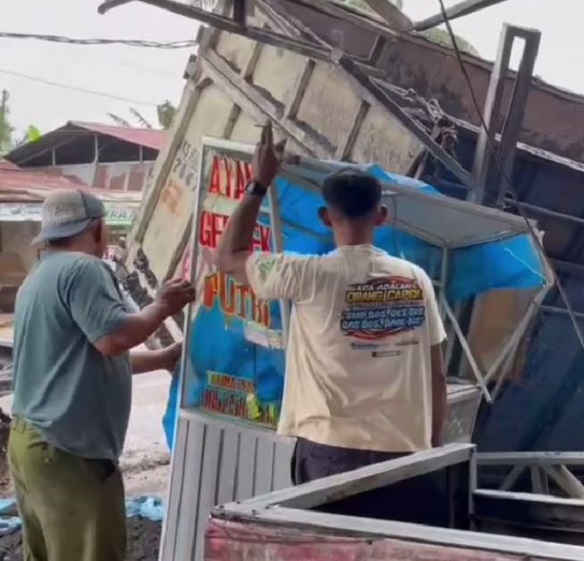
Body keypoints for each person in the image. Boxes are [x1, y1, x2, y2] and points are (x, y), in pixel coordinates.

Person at [214, 124, 448, 521]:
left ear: (325, 217)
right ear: (382, 215)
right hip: (406, 451)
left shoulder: (306, 275)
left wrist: (259, 182)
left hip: (331, 452)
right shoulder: (416, 280)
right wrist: (432, 448)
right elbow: (436, 375)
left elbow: (228, 256)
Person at [8, 189, 194, 561]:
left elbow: (88, 358)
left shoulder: (37, 277)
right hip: (67, 450)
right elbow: (113, 339)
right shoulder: (84, 268)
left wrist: (162, 358)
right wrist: (162, 306)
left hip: (32, 446)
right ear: (98, 228)